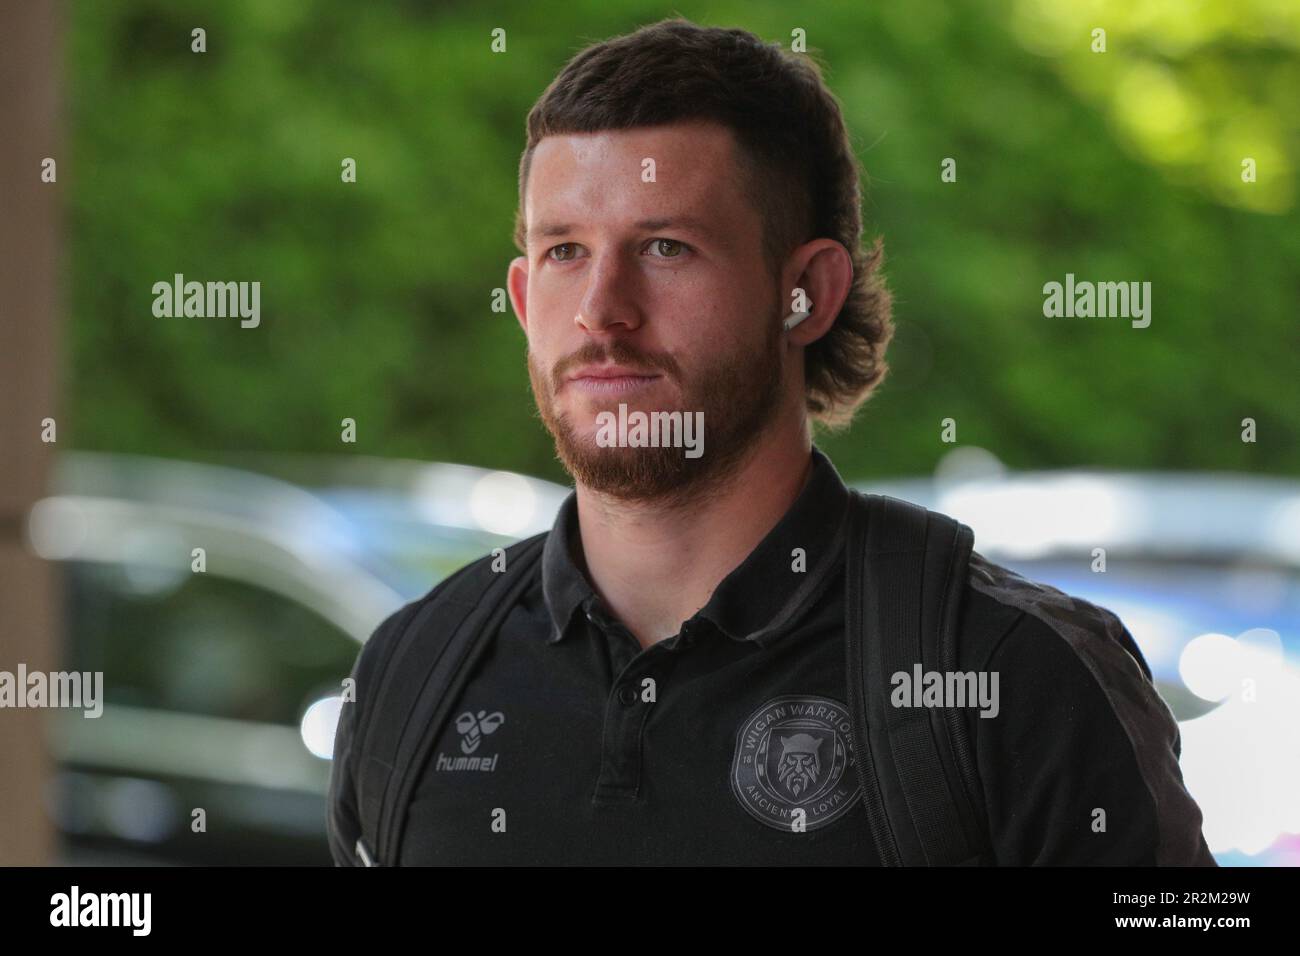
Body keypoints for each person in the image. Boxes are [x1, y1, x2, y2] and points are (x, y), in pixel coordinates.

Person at [327, 17, 1215, 866]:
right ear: (522, 299)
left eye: (666, 247)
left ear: (808, 293)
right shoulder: (414, 672)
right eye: (564, 251)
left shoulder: (1011, 676)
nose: (602, 310)